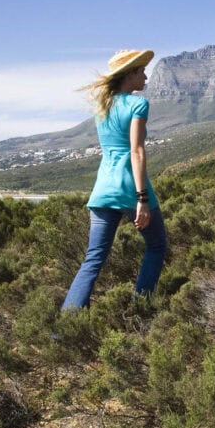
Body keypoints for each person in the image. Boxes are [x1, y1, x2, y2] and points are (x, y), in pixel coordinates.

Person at [62, 48, 167, 309]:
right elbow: (136, 151)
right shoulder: (138, 104)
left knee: (93, 260)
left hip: (103, 189)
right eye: (141, 71)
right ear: (129, 74)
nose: (145, 77)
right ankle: (140, 310)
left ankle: (65, 330)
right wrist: (142, 199)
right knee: (156, 246)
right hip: (130, 188)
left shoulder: (103, 107)